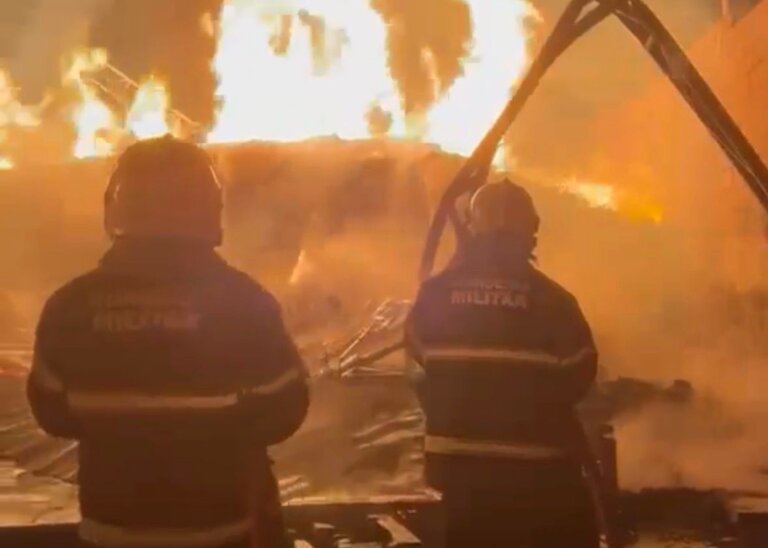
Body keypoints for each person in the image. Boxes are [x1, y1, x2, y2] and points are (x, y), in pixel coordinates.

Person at [26, 136, 309, 548]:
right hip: (221, 534)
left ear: (116, 210)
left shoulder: (69, 307)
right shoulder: (244, 302)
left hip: (111, 534)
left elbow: (52, 413)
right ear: (210, 208)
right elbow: (286, 407)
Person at [405, 179, 600, 547]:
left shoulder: (433, 295)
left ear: (472, 229)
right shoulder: (555, 302)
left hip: (454, 482)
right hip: (538, 484)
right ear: (531, 233)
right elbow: (579, 377)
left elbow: (418, 361)